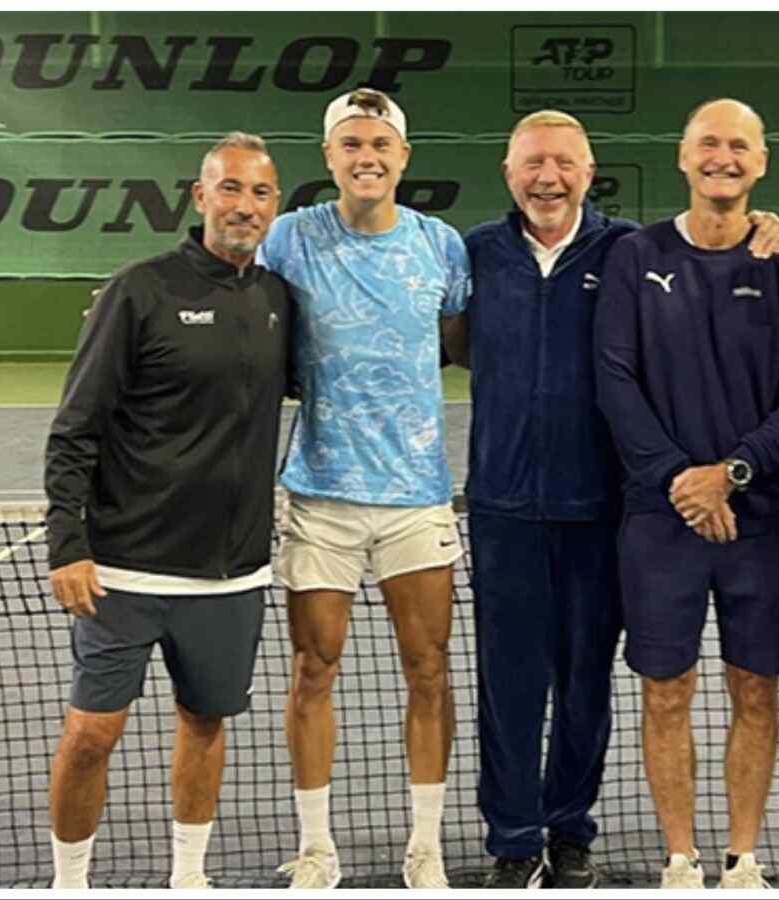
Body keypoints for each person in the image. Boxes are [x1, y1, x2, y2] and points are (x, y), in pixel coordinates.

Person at [443, 109, 779, 890]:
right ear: (509, 173)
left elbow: (716, 238)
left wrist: (769, 226)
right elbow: (442, 338)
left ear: (588, 170)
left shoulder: (626, 249)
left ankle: (570, 829)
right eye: (533, 163)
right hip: (502, 510)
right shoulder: (474, 256)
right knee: (507, 687)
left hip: (599, 509)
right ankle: (512, 838)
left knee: (585, 685)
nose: (548, 177)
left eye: (564, 163)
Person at [43, 133, 290, 889]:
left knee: (205, 724)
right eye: (231, 189)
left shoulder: (279, 300)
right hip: (122, 570)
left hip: (229, 576)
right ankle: (70, 882)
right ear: (201, 195)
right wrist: (67, 545)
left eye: (259, 193)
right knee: (90, 736)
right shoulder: (138, 291)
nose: (244, 206)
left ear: (273, 205)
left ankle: (189, 879)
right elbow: (75, 428)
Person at [593, 99, 779, 889]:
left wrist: (728, 475)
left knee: (755, 691)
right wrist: (678, 481)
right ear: (683, 158)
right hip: (661, 522)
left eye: (739, 146)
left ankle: (743, 859)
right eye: (708, 144)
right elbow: (614, 379)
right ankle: (682, 860)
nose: (723, 157)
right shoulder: (635, 255)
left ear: (761, 164)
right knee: (667, 693)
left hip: (759, 522)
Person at [256, 88, 470, 890]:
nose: (366, 156)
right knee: (313, 672)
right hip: (320, 495)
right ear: (330, 157)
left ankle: (426, 848)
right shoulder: (290, 238)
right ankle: (317, 849)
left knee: (429, 670)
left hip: (417, 495)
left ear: (403, 156)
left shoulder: (443, 247)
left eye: (380, 143)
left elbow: (457, 339)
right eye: (350, 143)